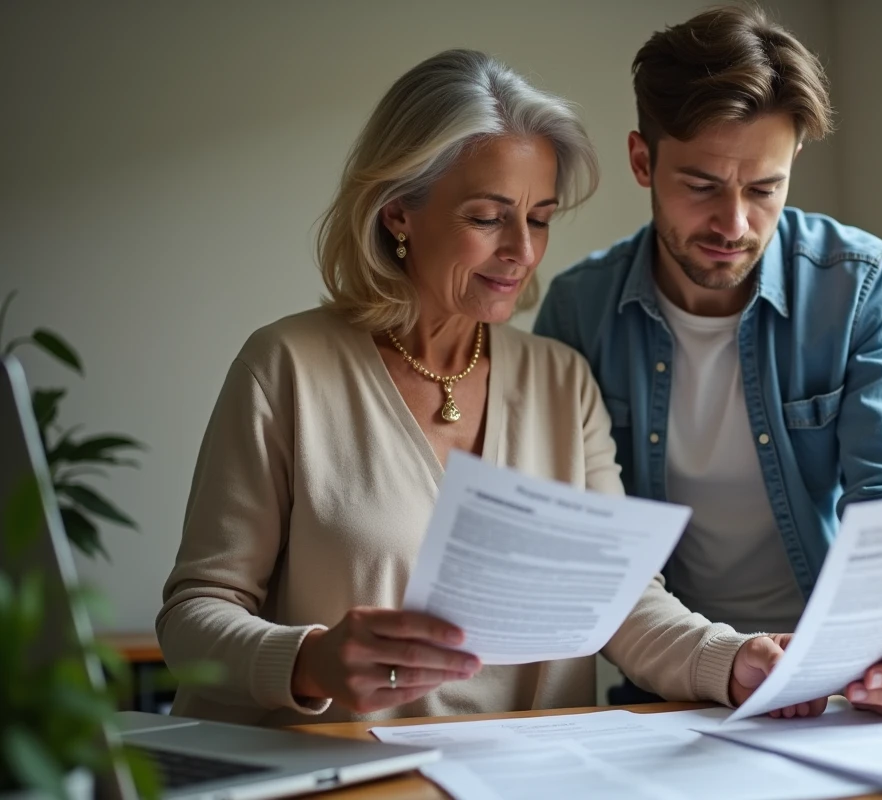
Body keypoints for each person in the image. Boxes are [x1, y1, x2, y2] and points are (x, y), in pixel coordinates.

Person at [157, 48, 818, 727]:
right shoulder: (287, 366)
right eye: (486, 217)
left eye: (538, 218)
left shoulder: (562, 380)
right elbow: (192, 617)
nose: (522, 252)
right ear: (397, 213)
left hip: (525, 776)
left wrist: (736, 660)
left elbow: (622, 601)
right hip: (336, 775)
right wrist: (310, 661)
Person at [535, 6, 882, 718]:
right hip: (671, 681)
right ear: (643, 160)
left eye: (765, 189)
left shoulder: (863, 285)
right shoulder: (578, 312)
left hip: (844, 673)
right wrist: (714, 660)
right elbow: (581, 544)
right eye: (701, 186)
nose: (734, 225)